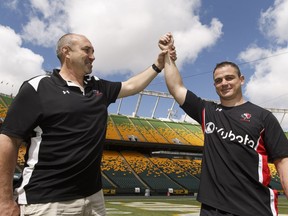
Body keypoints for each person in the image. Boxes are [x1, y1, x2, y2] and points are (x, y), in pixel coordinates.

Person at [0, 32, 176, 216]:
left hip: (94, 198)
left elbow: (132, 86)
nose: (93, 56)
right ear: (66, 52)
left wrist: (158, 65)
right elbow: (8, 141)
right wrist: (4, 201)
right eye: (87, 50)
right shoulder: (38, 87)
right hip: (48, 201)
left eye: (93, 51)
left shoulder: (98, 87)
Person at [159, 33, 288, 216]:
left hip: (254, 208)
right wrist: (167, 54)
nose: (224, 83)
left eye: (229, 78)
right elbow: (176, 87)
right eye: (219, 80)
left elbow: (283, 161)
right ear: (214, 85)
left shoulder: (263, 117)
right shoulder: (207, 112)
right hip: (212, 209)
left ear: (241, 79)